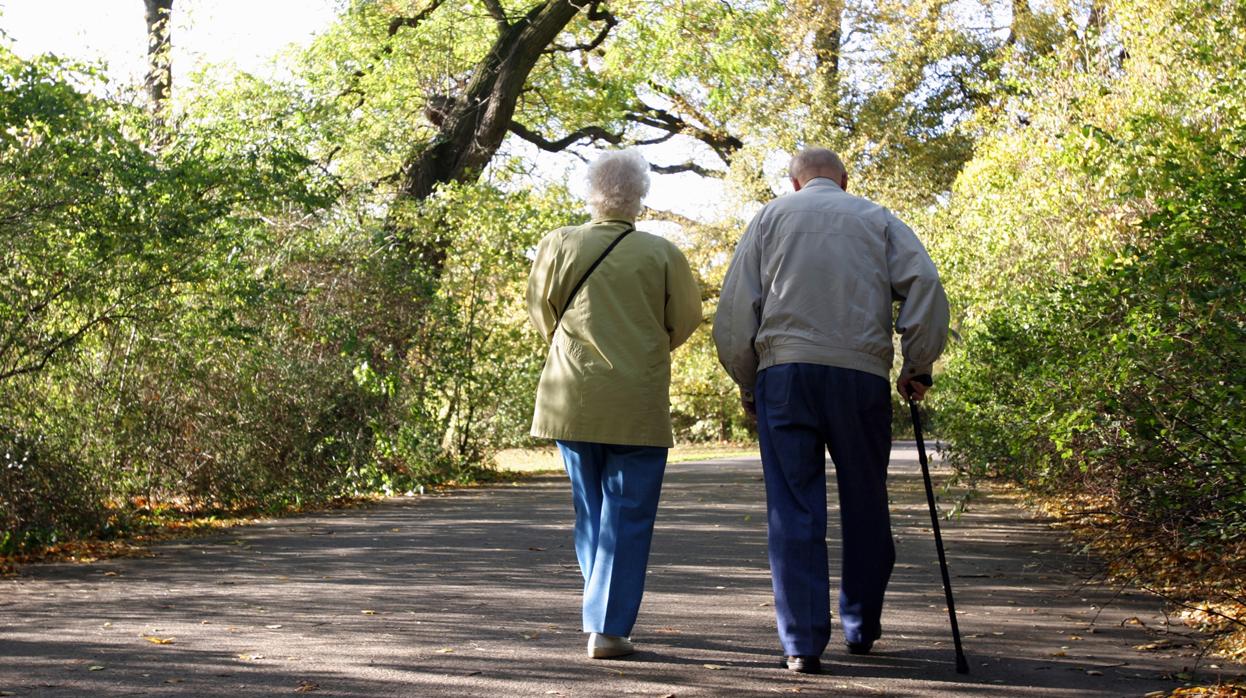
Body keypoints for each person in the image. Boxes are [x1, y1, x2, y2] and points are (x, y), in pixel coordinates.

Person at [713, 147, 949, 674]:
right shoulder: (877, 217)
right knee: (865, 498)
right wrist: (918, 363)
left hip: (786, 374)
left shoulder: (770, 217)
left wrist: (748, 380)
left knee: (793, 508)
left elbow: (735, 309)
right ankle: (860, 626)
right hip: (860, 375)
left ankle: (801, 643)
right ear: (843, 180)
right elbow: (925, 286)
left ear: (795, 184)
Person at [526, 149, 702, 659]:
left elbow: (541, 310)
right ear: (640, 198)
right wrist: (648, 346)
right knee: (627, 513)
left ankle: (602, 608)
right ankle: (605, 624)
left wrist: (567, 346)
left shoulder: (559, 243)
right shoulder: (662, 253)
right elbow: (686, 318)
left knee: (591, 510)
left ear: (591, 194)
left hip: (571, 396)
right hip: (637, 399)